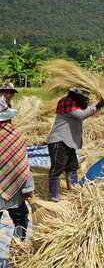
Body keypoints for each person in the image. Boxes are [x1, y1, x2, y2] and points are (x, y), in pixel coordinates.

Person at [47, 88, 104, 201]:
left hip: (68, 142)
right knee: (57, 168)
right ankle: (53, 195)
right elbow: (82, 115)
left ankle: (73, 192)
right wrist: (98, 106)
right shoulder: (67, 103)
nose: (86, 101)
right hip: (59, 141)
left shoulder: (73, 105)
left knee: (72, 167)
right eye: (84, 98)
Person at [0, 100, 34, 241]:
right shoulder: (15, 138)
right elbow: (22, 166)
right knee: (20, 219)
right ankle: (17, 250)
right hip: (14, 193)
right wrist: (28, 189)